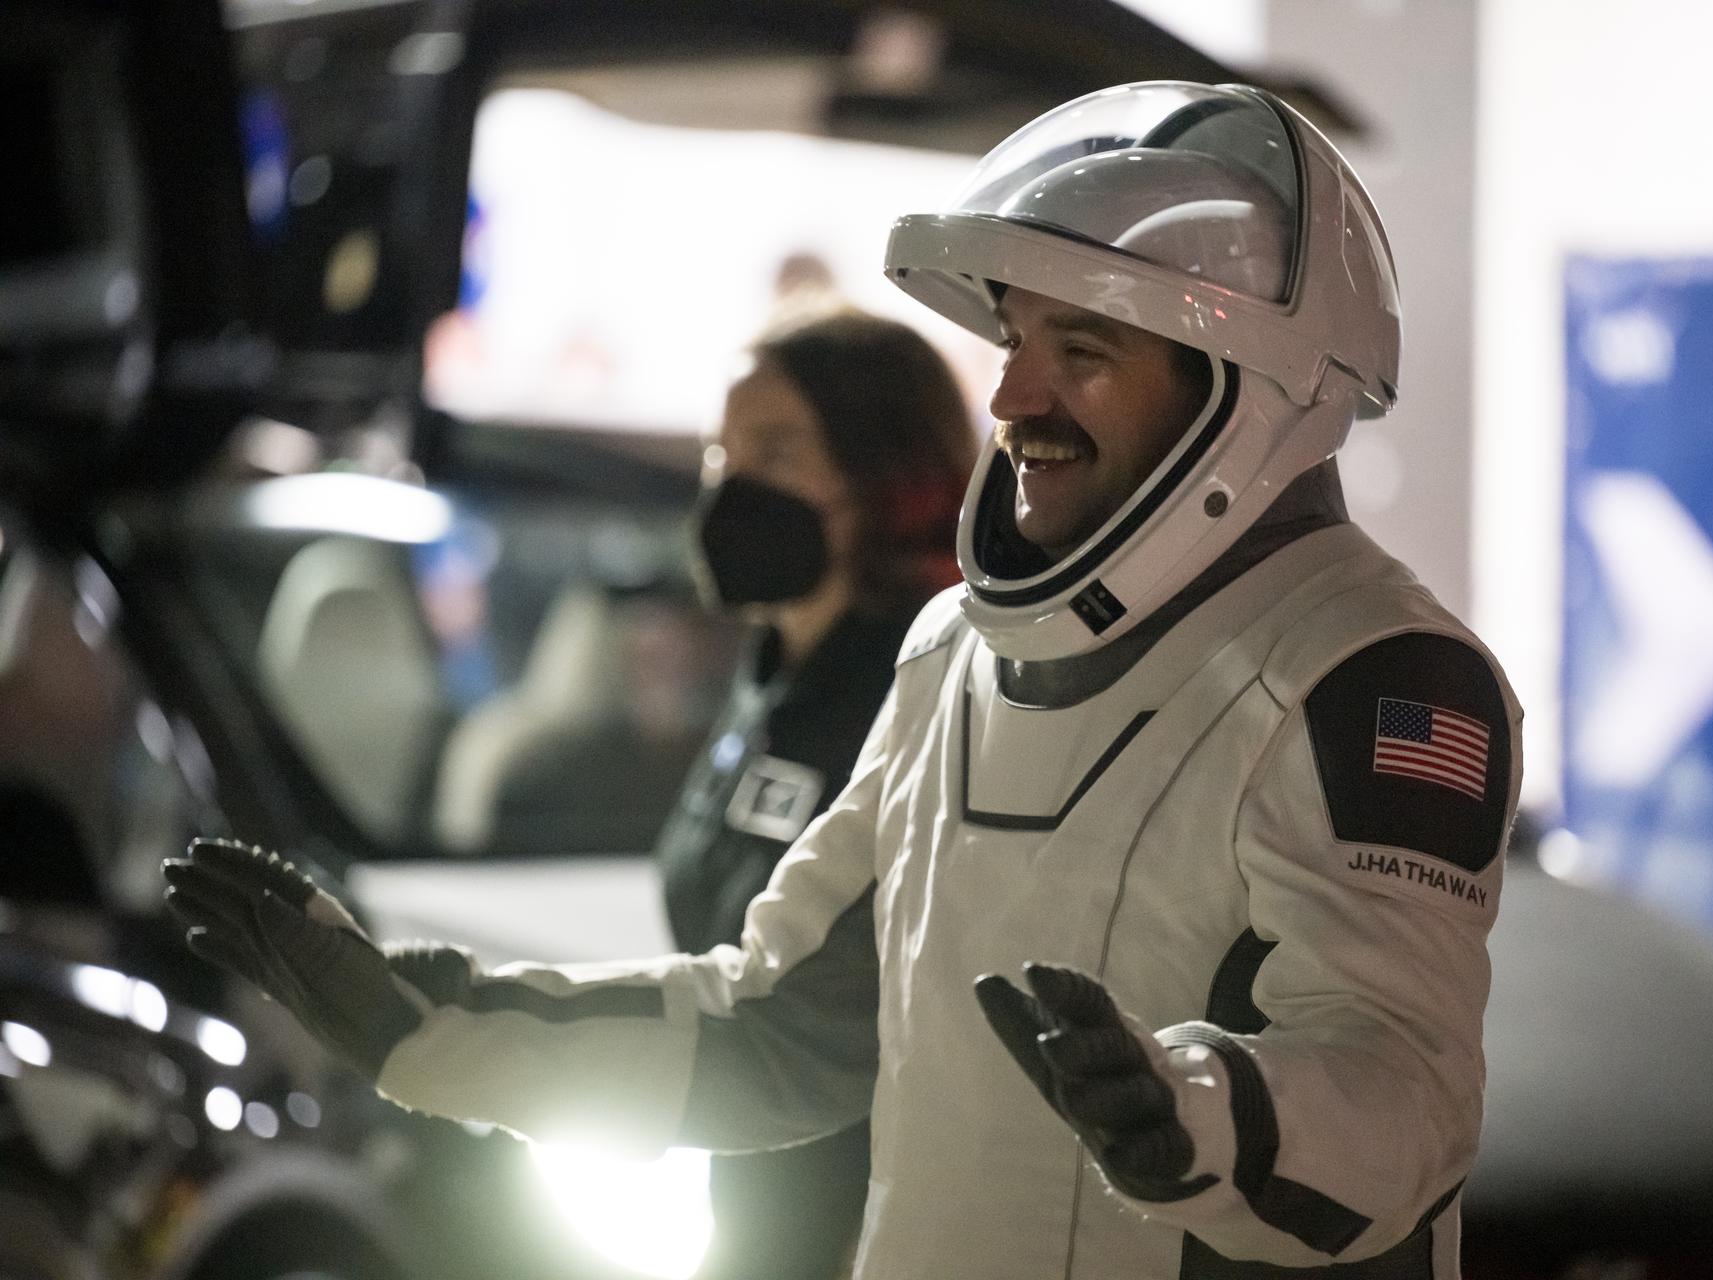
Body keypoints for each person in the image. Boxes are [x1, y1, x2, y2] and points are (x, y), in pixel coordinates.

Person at [166, 82, 1523, 1280]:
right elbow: (774, 1025)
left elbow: (1403, 1099)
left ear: (1251, 391)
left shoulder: (1374, 674)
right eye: (1018, 341)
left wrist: (1203, 1111)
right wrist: (427, 1028)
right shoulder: (953, 653)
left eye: (1084, 353)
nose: (1014, 399)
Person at [664, 308, 975, 1278]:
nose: (733, 482)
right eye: (722, 451)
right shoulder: (766, 670)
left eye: (779, 448)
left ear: (885, 476)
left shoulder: (928, 687)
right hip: (747, 1205)